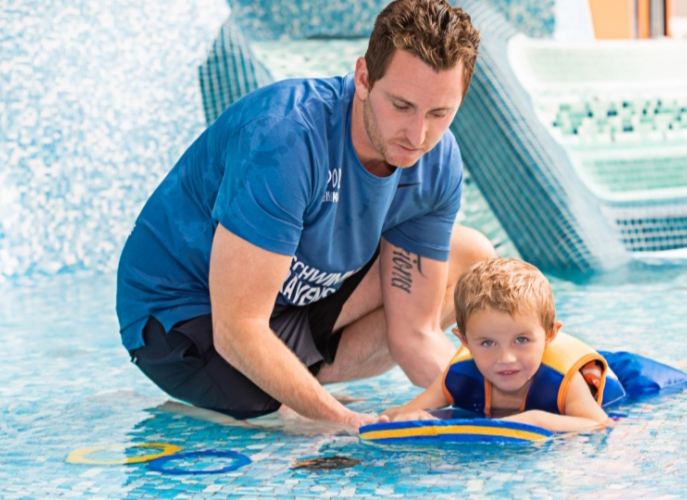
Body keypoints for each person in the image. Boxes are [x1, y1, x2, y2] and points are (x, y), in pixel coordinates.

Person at [115, 0, 493, 432]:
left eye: (440, 113)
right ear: (364, 78)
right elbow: (237, 326)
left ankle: (292, 376)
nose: (418, 134)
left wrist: (498, 403)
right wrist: (343, 419)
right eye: (402, 106)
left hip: (289, 301)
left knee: (469, 258)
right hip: (182, 312)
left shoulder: (436, 163)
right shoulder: (286, 140)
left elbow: (416, 334)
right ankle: (275, 386)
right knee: (277, 410)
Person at [382, 258, 687, 432]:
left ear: (550, 336)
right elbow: (411, 408)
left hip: (629, 380)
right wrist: (402, 416)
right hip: (591, 370)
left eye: (522, 340)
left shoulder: (558, 381)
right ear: (463, 342)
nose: (505, 358)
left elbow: (598, 424)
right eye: (488, 343)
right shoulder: (460, 374)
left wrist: (537, 419)